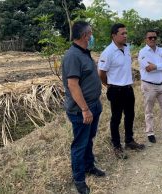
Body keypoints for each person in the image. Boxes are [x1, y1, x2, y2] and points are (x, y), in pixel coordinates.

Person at [62, 21, 105, 194]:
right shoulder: (72, 56)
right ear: (84, 35)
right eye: (91, 33)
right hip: (82, 110)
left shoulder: (85, 53)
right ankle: (79, 179)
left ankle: (89, 166)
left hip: (94, 105)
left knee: (89, 139)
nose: (92, 36)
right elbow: (73, 85)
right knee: (80, 144)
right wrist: (85, 109)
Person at [98, 23, 145, 159]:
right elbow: (101, 73)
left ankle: (129, 141)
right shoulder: (108, 52)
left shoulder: (127, 48)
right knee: (116, 118)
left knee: (130, 116)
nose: (125, 36)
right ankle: (117, 146)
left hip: (128, 89)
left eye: (126, 33)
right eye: (122, 34)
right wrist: (109, 85)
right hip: (116, 90)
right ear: (114, 35)